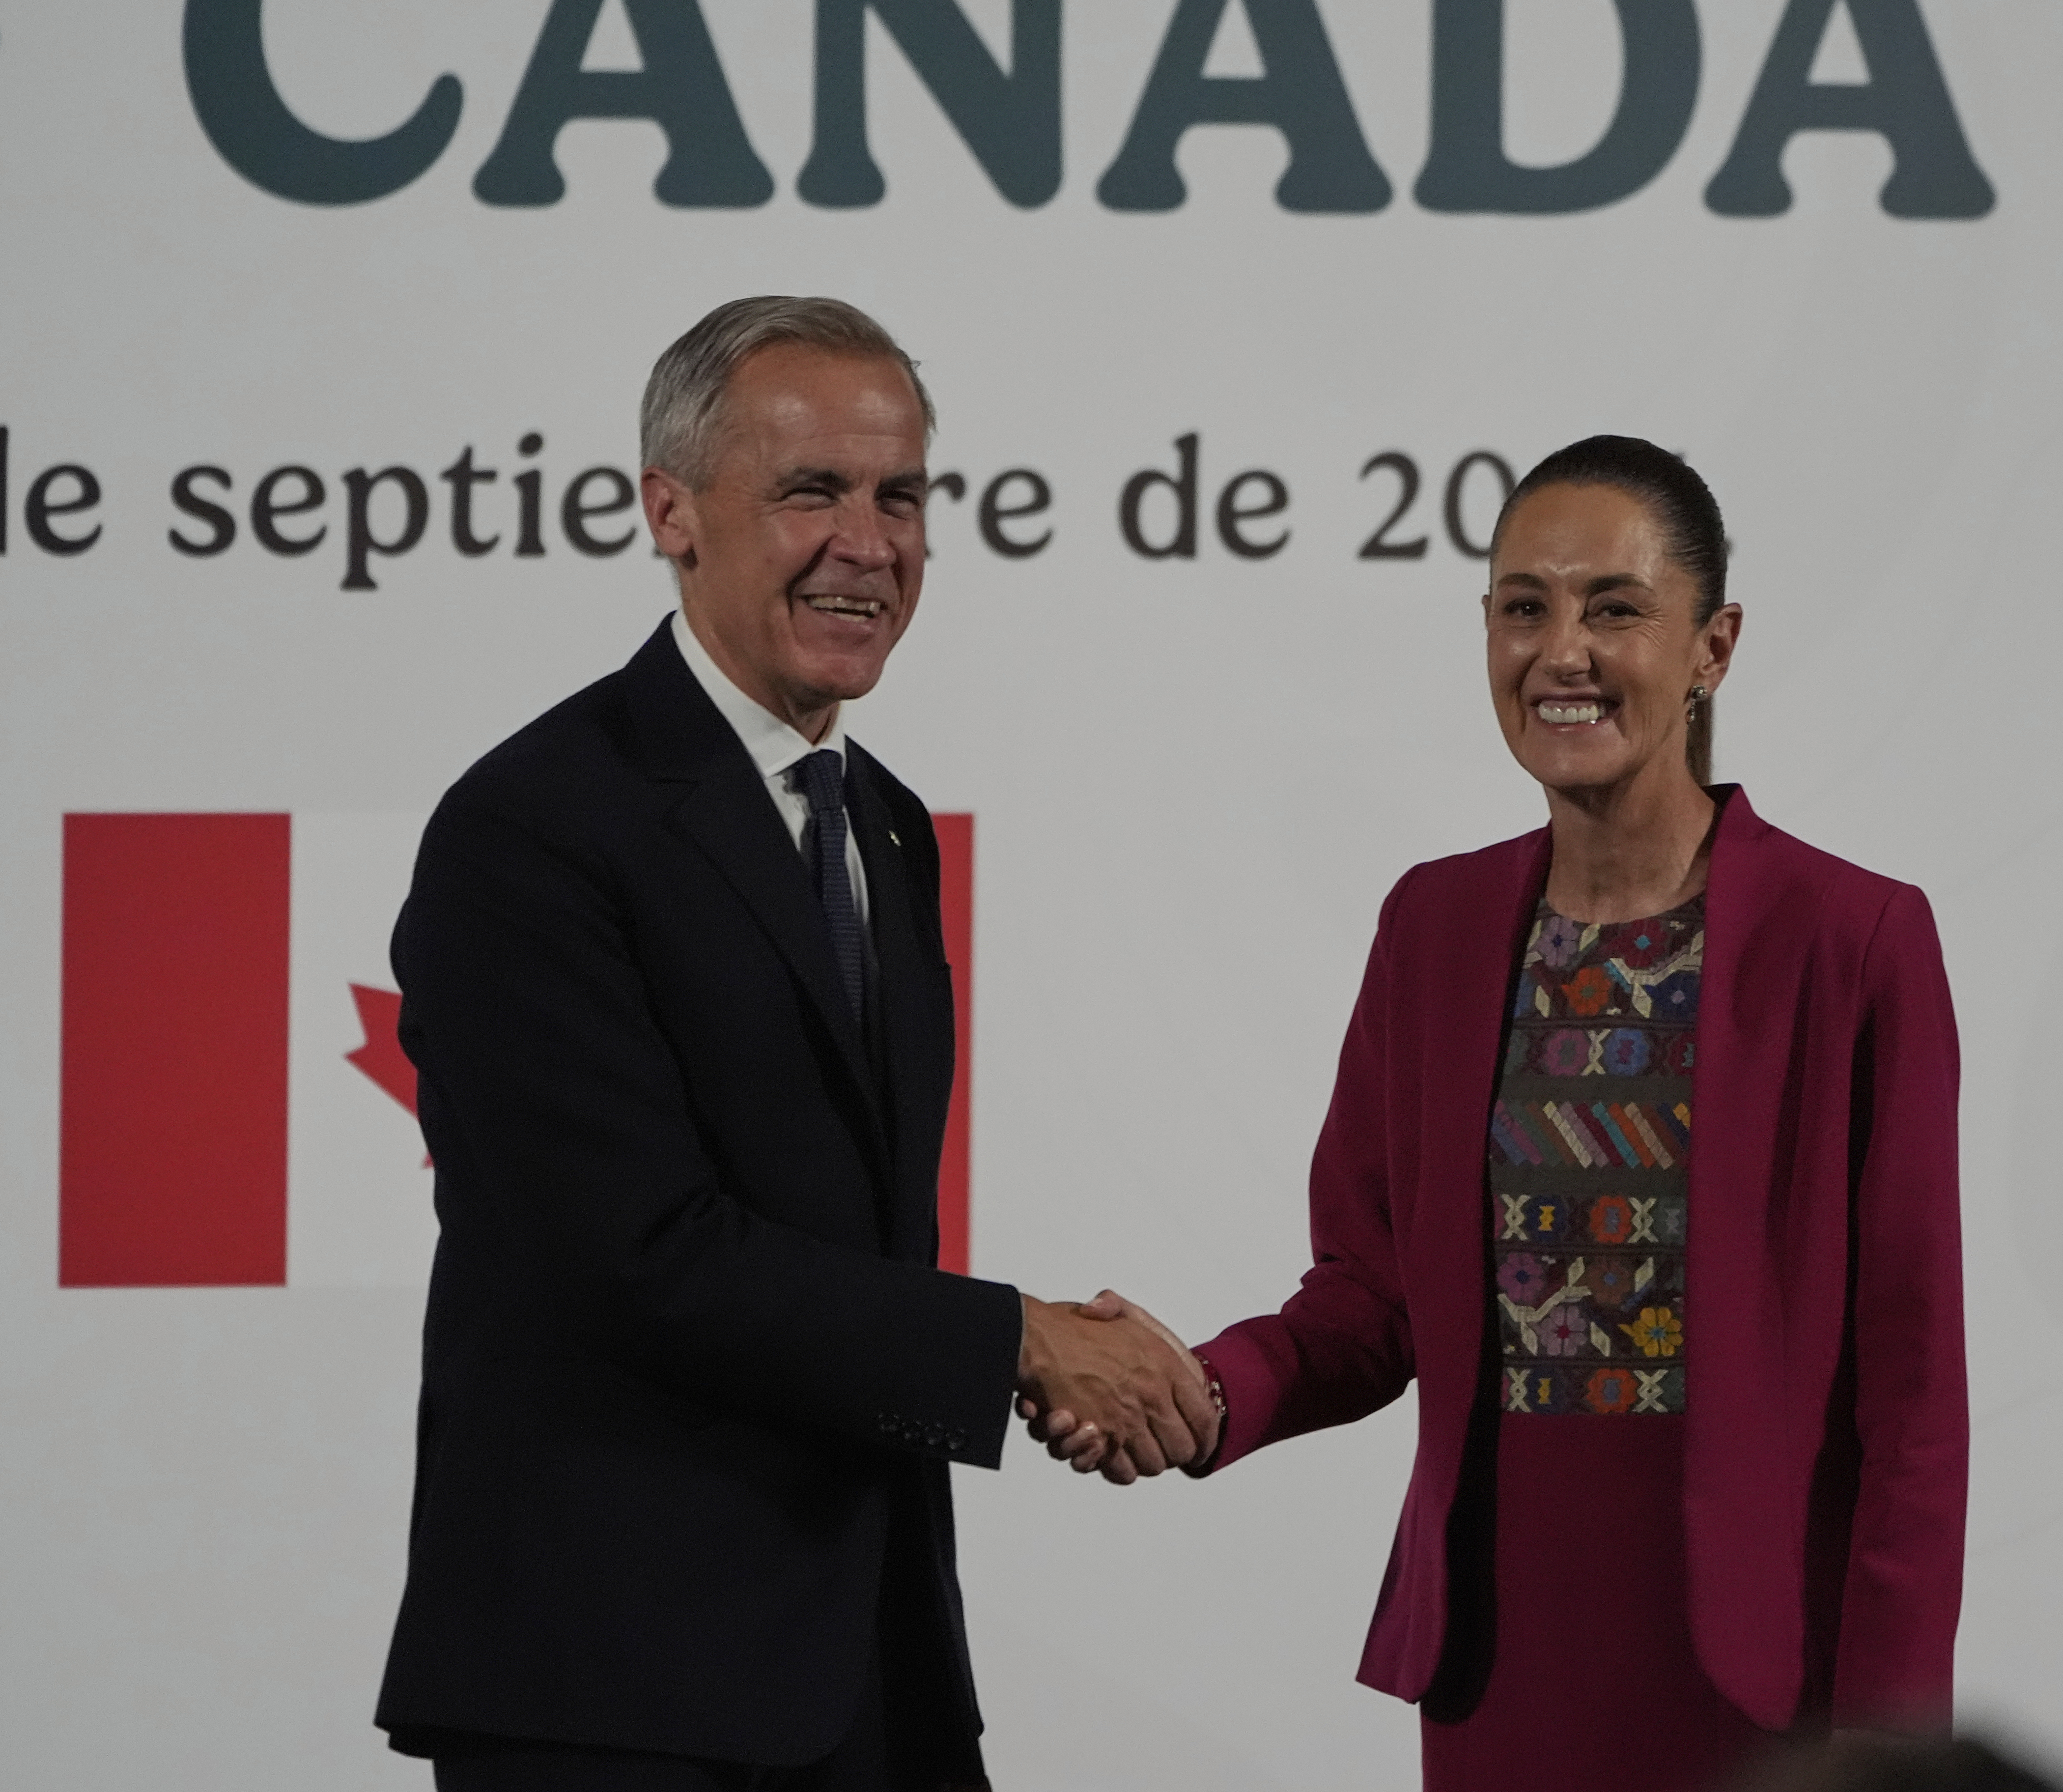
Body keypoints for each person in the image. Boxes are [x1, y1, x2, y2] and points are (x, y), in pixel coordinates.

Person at [372, 296, 1217, 1792]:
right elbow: (639, 1257)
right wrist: (1016, 1339)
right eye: (811, 492)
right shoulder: (533, 829)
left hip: (867, 1682)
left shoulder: (881, 821)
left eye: (901, 498)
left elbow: (852, 1240)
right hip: (615, 1699)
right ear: (672, 513)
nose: (870, 544)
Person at [1042, 436, 1969, 1790]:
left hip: (1769, 1683)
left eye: (1615, 609)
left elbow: (1914, 1391)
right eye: (1523, 607)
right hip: (1501, 1655)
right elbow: (1371, 1300)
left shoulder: (1855, 939)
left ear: (1714, 646)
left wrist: (1892, 1744)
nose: (1562, 652)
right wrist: (1209, 1394)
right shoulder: (1437, 924)